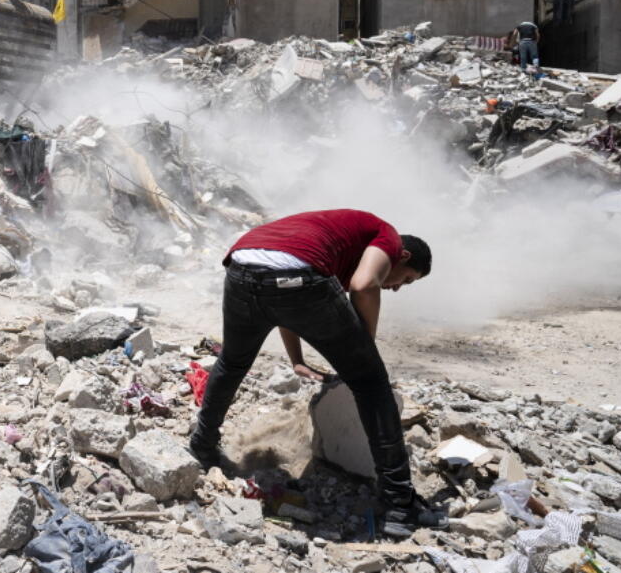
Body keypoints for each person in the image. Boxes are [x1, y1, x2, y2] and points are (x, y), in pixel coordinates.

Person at [189, 209, 446, 538]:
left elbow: (282, 290)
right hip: (295, 275)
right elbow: (364, 284)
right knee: (372, 385)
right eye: (406, 279)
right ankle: (400, 504)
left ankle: (202, 445)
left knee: (233, 362)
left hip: (243, 264)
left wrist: (296, 357)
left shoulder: (330, 247)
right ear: (402, 255)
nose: (397, 288)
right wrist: (365, 351)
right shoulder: (389, 237)